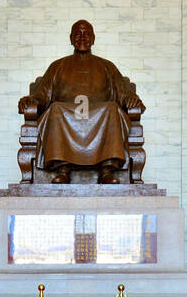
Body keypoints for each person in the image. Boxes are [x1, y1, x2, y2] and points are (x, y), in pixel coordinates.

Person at [21, 20, 143, 184]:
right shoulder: (58, 66)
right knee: (55, 108)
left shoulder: (107, 66)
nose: (82, 37)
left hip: (101, 117)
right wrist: (31, 99)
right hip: (65, 116)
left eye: (87, 34)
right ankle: (62, 169)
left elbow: (122, 93)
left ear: (93, 39)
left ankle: (106, 170)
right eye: (78, 34)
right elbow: (43, 94)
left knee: (112, 109)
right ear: (71, 39)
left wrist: (131, 99)